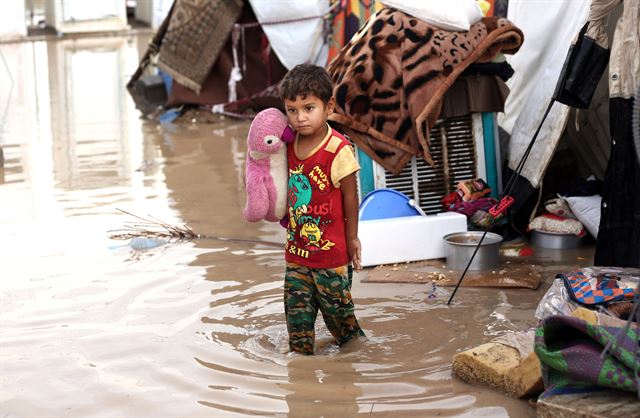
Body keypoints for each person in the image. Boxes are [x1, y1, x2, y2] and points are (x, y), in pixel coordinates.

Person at [279, 63, 365, 355]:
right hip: (297, 254)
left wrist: (353, 238)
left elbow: (351, 199)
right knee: (297, 325)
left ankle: (358, 363)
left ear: (328, 107)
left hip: (331, 258)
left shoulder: (337, 149)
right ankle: (301, 379)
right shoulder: (287, 146)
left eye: (308, 108)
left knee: (341, 323)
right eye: (292, 110)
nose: (300, 117)